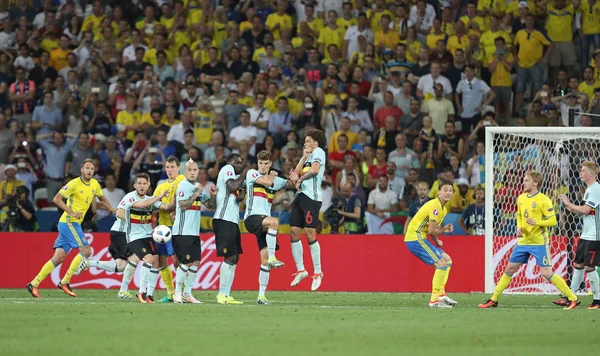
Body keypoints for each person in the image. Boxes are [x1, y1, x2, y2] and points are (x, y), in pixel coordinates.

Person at [479, 171, 578, 309]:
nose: (523, 182)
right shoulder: (521, 198)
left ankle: (572, 298)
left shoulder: (543, 199)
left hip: (539, 242)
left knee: (546, 273)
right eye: (524, 180)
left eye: (526, 180)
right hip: (524, 241)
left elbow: (553, 220)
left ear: (535, 183)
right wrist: (519, 228)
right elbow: (519, 216)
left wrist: (536, 222)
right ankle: (493, 299)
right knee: (509, 268)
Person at [26, 159, 115, 298]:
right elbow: (56, 199)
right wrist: (71, 212)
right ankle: (65, 281)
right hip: (69, 221)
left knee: (59, 257)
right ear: (81, 169)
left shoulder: (95, 184)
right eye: (87, 168)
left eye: (92, 168)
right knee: (86, 251)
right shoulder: (74, 183)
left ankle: (34, 283)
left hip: (73, 223)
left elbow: (102, 198)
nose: (90, 171)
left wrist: (111, 208)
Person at [244, 150, 297, 304]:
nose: (263, 166)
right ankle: (274, 257)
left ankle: (261, 295)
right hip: (252, 218)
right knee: (274, 222)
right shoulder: (252, 174)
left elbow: (292, 184)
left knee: (264, 261)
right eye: (261, 163)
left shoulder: (276, 180)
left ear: (270, 163)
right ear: (257, 163)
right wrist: (273, 175)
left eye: (266, 163)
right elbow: (268, 182)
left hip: (263, 224)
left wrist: (296, 173)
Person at [118, 173, 175, 303]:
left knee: (156, 261)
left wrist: (176, 197)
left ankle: (149, 295)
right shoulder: (130, 197)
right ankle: (141, 291)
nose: (142, 186)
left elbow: (166, 207)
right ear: (134, 185)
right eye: (139, 183)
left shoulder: (151, 199)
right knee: (149, 259)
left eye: (144, 183)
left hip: (149, 236)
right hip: (134, 237)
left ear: (148, 185)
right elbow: (141, 205)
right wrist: (159, 197)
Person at [404, 179, 457, 308]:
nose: (448, 193)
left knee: (447, 260)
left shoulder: (443, 209)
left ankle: (441, 295)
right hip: (415, 237)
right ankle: (434, 301)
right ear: (439, 191)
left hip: (420, 237)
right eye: (445, 190)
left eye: (450, 190)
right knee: (441, 264)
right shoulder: (435, 206)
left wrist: (443, 230)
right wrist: (438, 240)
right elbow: (432, 231)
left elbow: (432, 228)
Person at [554, 161, 600, 309]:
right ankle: (571, 297)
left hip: (594, 235)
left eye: (583, 170)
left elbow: (586, 210)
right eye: (580, 170)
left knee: (589, 267)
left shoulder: (596, 189)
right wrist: (567, 206)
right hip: (585, 234)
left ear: (592, 174)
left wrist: (569, 203)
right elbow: (582, 211)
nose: (580, 172)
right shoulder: (588, 190)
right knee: (578, 265)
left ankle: (597, 300)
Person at [172, 159, 217, 304]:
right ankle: (177, 292)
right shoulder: (182, 186)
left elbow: (210, 206)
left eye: (195, 170)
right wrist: (195, 193)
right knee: (185, 262)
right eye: (189, 170)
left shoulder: (199, 186)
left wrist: (213, 195)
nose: (192, 172)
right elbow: (183, 206)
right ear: (184, 172)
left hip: (193, 232)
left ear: (198, 172)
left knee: (196, 262)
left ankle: (187, 293)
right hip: (182, 231)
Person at [290, 129, 328, 291]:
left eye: (308, 140)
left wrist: (299, 180)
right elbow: (296, 173)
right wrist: (304, 157)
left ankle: (318, 272)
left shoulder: (319, 152)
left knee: (310, 233)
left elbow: (314, 170)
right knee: (293, 232)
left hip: (311, 198)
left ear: (316, 142)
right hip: (300, 197)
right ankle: (301, 270)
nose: (305, 143)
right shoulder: (307, 157)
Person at [214, 154, 248, 305]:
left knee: (235, 257)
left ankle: (226, 294)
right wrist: (245, 174)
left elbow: (239, 197)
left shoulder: (236, 177)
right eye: (237, 162)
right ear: (229, 162)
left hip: (232, 220)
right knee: (229, 257)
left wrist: (244, 187)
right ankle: (221, 294)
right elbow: (232, 187)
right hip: (223, 218)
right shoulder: (227, 169)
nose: (239, 164)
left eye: (241, 163)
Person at [152, 156, 185, 303]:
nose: (169, 170)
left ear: (178, 168)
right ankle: (170, 293)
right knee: (161, 261)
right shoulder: (160, 187)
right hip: (161, 228)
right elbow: (153, 205)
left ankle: (181, 292)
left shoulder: (182, 179)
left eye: (172, 167)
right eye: (167, 167)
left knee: (176, 260)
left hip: (176, 226)